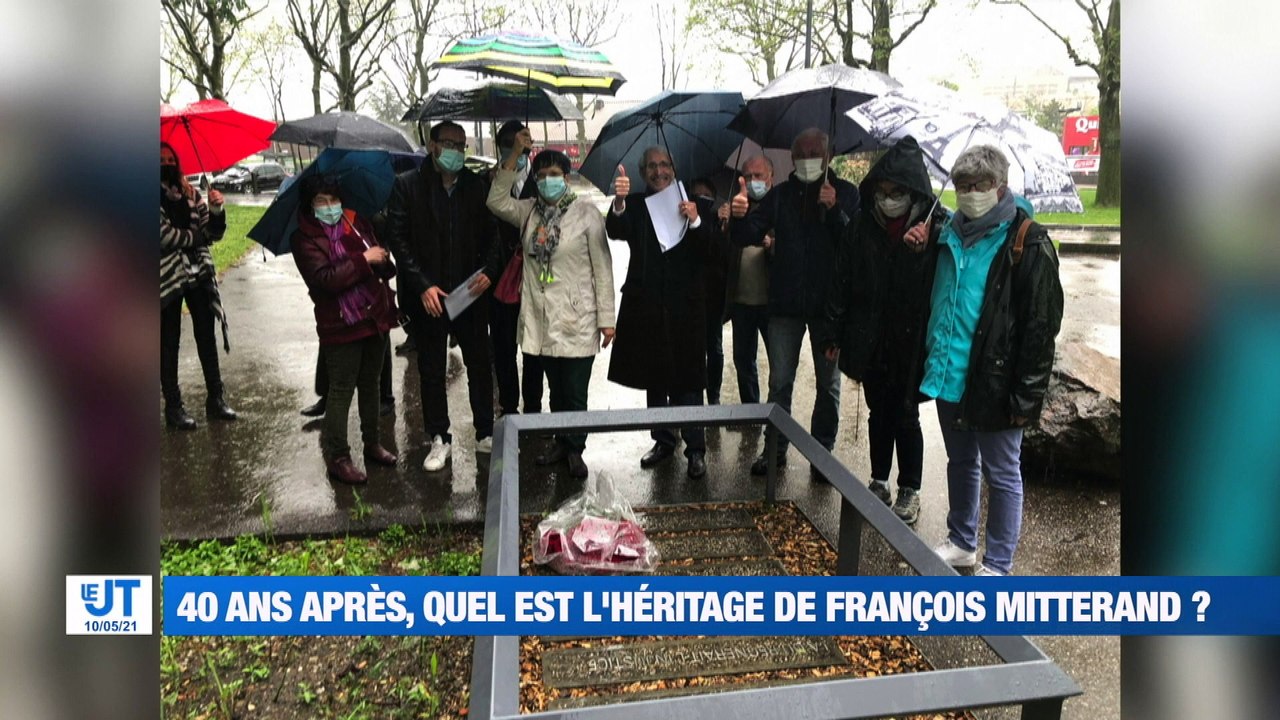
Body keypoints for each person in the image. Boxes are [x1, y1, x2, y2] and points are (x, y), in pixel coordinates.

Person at [920, 145, 1064, 576]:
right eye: (962, 185)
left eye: (980, 185)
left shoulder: (1027, 241)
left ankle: (998, 564)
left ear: (1000, 186)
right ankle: (962, 541)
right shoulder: (946, 231)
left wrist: (1026, 396)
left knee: (1002, 473)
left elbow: (1041, 327)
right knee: (961, 462)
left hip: (996, 381)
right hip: (949, 373)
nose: (970, 193)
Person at [822, 136, 947, 524]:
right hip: (870, 334)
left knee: (907, 414)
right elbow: (840, 278)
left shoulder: (936, 226)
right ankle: (879, 480)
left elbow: (944, 278)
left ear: (913, 191)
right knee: (879, 411)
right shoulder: (862, 223)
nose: (888, 198)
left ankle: (910, 487)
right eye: (883, 190)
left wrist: (925, 248)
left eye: (897, 192)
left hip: (912, 339)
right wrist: (833, 333)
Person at [731, 128, 859, 477]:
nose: (806, 159)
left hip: (828, 310)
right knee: (780, 381)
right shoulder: (781, 196)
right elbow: (746, 235)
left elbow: (856, 249)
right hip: (785, 304)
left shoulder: (846, 193)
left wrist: (834, 212)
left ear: (828, 156)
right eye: (800, 153)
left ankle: (822, 454)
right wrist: (740, 216)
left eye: (814, 152)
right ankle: (775, 449)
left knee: (828, 385)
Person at [487, 132, 616, 478]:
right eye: (541, 175)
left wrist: (608, 319)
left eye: (554, 174)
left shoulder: (587, 214)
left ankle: (576, 448)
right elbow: (496, 200)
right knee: (555, 388)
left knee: (575, 390)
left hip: (577, 317)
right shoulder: (529, 212)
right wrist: (514, 154)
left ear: (567, 175)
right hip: (541, 318)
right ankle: (560, 442)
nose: (547, 181)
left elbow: (603, 269)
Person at [384, 120, 503, 472]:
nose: (455, 151)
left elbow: (493, 237)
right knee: (432, 369)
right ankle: (439, 437)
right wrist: (421, 284)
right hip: (430, 296)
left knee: (480, 365)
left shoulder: (476, 186)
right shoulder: (407, 187)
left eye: (461, 145)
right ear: (432, 145)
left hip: (470, 293)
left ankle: (485, 432)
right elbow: (398, 239)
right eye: (449, 143)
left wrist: (489, 272)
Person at [607, 147, 713, 479]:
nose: (658, 171)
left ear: (674, 166)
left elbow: (710, 249)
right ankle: (663, 441)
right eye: (651, 166)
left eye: (664, 164)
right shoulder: (636, 204)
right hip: (648, 306)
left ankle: (695, 448)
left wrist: (695, 220)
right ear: (643, 172)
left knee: (689, 380)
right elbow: (616, 229)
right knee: (656, 377)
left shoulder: (694, 202)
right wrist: (619, 202)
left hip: (687, 308)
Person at [290, 176, 400, 485]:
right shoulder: (303, 239)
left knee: (371, 384)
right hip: (339, 323)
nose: (329, 206)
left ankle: (372, 443)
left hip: (373, 315)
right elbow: (325, 279)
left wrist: (380, 256)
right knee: (340, 390)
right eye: (321, 201)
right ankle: (338, 457)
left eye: (333, 199)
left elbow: (379, 261)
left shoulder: (356, 223)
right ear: (309, 205)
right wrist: (364, 259)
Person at [160, 141, 237, 430]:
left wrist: (216, 210)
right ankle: (174, 406)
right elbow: (163, 236)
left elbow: (212, 233)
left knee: (207, 334)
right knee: (169, 341)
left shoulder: (191, 193)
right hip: (166, 276)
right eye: (160, 159)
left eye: (170, 159)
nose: (166, 163)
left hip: (199, 272)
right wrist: (196, 237)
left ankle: (216, 398)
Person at [488, 120, 546, 417]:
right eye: (509, 145)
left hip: (535, 277)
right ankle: (509, 406)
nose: (516, 150)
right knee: (503, 347)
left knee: (534, 346)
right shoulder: (490, 180)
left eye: (521, 144)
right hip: (498, 278)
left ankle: (533, 406)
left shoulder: (544, 180)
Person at [717, 155, 775, 407]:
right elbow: (720, 252)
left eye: (758, 176)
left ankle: (776, 415)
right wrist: (725, 223)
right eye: (748, 176)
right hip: (741, 301)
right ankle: (751, 410)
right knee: (743, 359)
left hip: (772, 304)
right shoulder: (736, 206)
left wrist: (773, 244)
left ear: (771, 179)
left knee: (779, 364)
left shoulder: (780, 206)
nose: (753, 181)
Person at [690, 176, 728, 406]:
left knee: (714, 348)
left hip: (714, 295)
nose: (701, 198)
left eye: (706, 195)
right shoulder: (684, 219)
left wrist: (724, 228)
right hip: (690, 296)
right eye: (697, 194)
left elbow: (724, 255)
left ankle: (713, 394)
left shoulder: (719, 220)